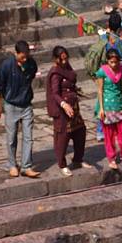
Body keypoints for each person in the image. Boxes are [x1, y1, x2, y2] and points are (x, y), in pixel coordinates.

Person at [0, 40, 40, 178]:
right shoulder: (6, 66)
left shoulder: (31, 64)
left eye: (27, 56)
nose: (25, 59)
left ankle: (26, 166)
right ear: (16, 53)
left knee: (28, 138)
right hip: (11, 105)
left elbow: (31, 75)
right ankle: (12, 165)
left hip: (26, 105)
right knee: (11, 138)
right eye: (22, 57)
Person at [46, 45, 92, 177]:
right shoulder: (55, 73)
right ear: (56, 59)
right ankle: (62, 164)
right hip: (62, 110)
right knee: (63, 137)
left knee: (80, 131)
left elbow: (72, 81)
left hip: (74, 107)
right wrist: (64, 104)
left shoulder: (68, 68)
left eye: (66, 59)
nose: (65, 62)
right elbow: (55, 93)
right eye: (62, 60)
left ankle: (78, 159)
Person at [96, 48, 122, 170]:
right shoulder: (102, 72)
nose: (114, 65)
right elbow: (100, 90)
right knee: (108, 135)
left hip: (119, 105)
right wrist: (101, 109)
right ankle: (111, 158)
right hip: (107, 106)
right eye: (111, 62)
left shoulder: (121, 69)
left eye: (115, 62)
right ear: (107, 61)